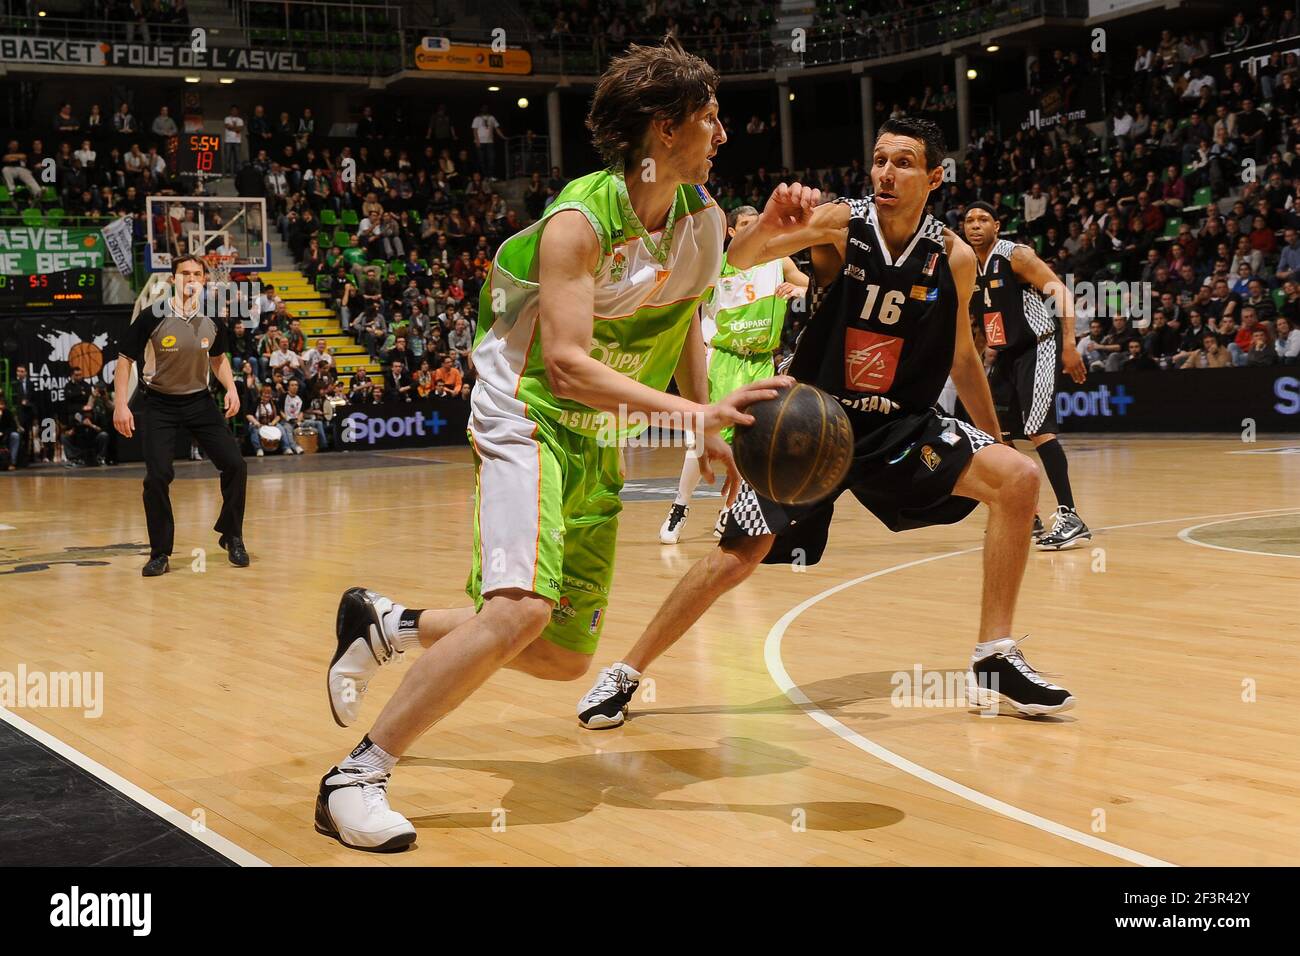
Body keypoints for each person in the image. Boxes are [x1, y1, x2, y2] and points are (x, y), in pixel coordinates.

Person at [314, 36, 780, 852]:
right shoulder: (578, 222)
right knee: (521, 609)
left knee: (563, 654)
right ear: (664, 131)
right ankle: (356, 775)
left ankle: (390, 623)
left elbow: (684, 324)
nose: (723, 133)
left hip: (603, 432)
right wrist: (689, 417)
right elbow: (565, 366)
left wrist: (711, 430)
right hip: (525, 411)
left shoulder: (699, 219)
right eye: (710, 119)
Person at [576, 116, 1078, 730]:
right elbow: (738, 258)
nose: (886, 173)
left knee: (1019, 479)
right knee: (738, 554)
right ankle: (626, 670)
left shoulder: (953, 256)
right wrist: (770, 223)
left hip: (901, 428)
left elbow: (962, 356)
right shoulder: (844, 224)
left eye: (903, 162)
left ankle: (994, 656)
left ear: (934, 177)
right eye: (880, 160)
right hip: (813, 427)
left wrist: (994, 438)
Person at [659, 204, 809, 543]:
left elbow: (811, 286)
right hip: (724, 358)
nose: (752, 228)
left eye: (757, 223)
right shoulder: (718, 263)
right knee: (705, 435)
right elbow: (687, 310)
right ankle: (680, 506)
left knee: (746, 445)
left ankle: (729, 511)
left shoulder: (778, 260)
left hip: (759, 361)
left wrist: (800, 290)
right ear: (730, 232)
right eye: (744, 224)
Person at [962, 202, 1092, 550]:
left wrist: (1069, 345)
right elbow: (977, 324)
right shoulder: (968, 265)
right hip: (1003, 355)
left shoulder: (1015, 255)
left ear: (997, 225)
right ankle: (1026, 514)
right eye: (969, 220)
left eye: (983, 219)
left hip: (1038, 346)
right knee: (997, 437)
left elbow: (1060, 292)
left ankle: (1071, 515)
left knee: (1038, 429)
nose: (975, 225)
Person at [113, 255, 249, 576]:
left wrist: (231, 388)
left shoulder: (212, 318)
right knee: (157, 477)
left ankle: (232, 536)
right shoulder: (152, 316)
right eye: (184, 273)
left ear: (204, 280)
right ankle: (160, 552)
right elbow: (124, 359)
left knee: (235, 465)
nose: (191, 279)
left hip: (200, 402)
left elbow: (218, 359)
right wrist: (121, 404)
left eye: (197, 274)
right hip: (159, 404)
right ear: (173, 279)